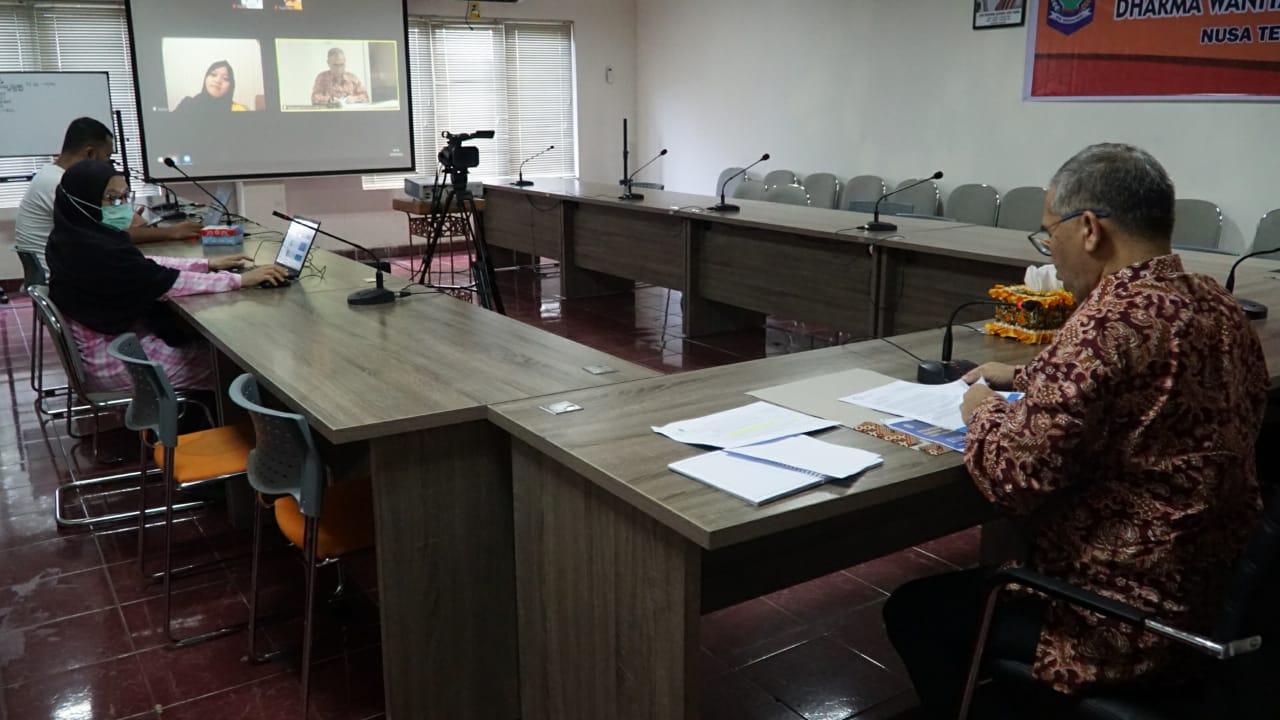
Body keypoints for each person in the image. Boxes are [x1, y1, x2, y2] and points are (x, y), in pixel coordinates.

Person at [884, 143, 1268, 717]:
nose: (1052, 256)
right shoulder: (1216, 303)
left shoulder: (1105, 324)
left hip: (1118, 618)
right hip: (1215, 598)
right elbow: (1141, 381)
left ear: (1089, 229)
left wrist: (982, 409)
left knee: (916, 611)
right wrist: (1024, 375)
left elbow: (1014, 478)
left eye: (1049, 235)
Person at [46, 160, 287, 393]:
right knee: (236, 368)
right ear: (83, 201)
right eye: (113, 199)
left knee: (215, 350)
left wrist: (206, 264)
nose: (122, 206)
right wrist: (241, 280)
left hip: (114, 347)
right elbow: (167, 282)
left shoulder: (73, 239)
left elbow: (145, 266)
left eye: (125, 197)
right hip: (120, 361)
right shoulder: (99, 252)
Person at [15, 118, 201, 275]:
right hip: (67, 280)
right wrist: (173, 232)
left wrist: (120, 218)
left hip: (66, 270)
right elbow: (111, 236)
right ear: (90, 153)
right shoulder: (61, 184)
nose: (109, 163)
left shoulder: (51, 175)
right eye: (107, 156)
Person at [174, 60, 248, 114]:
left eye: (225, 78)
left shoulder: (239, 110)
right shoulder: (188, 105)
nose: (218, 80)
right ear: (205, 78)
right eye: (213, 74)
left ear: (231, 86)